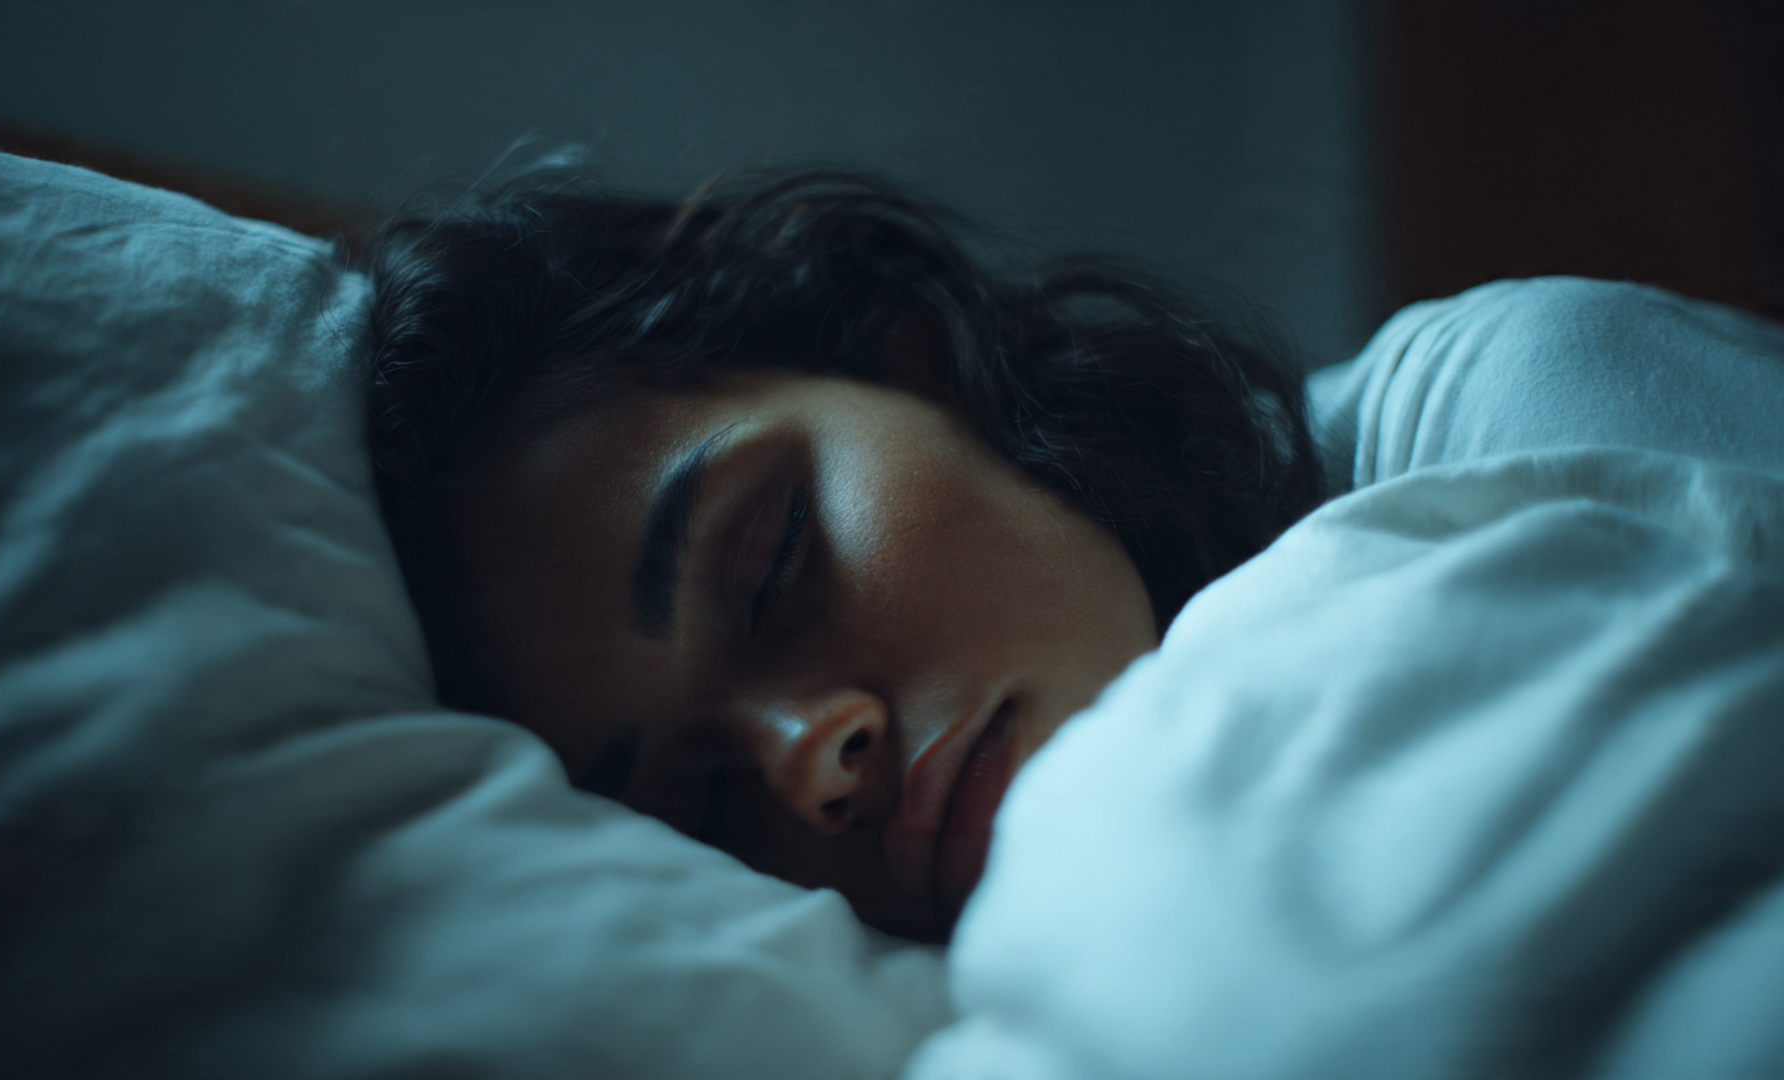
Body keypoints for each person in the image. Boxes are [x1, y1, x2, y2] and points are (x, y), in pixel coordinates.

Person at [358, 167, 1324, 941]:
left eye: (775, 567)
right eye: (703, 810)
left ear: (908, 353)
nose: (811, 761)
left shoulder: (1446, 421)